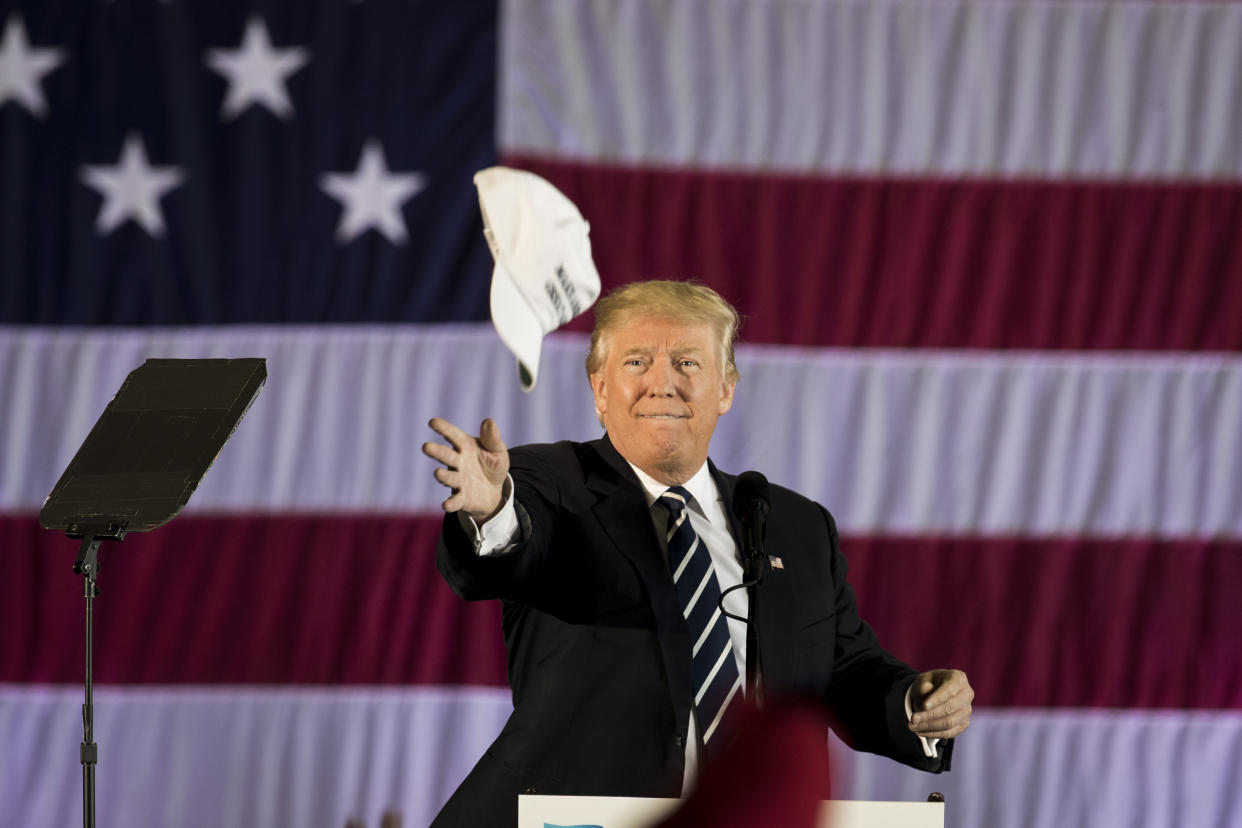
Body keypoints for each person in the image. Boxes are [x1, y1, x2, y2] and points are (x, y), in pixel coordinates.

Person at [422, 280, 972, 827]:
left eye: (687, 363)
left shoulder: (795, 526)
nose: (662, 383)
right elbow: (509, 544)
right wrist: (492, 508)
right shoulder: (552, 483)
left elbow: (845, 671)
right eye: (637, 362)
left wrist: (917, 704)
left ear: (726, 388)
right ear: (600, 390)